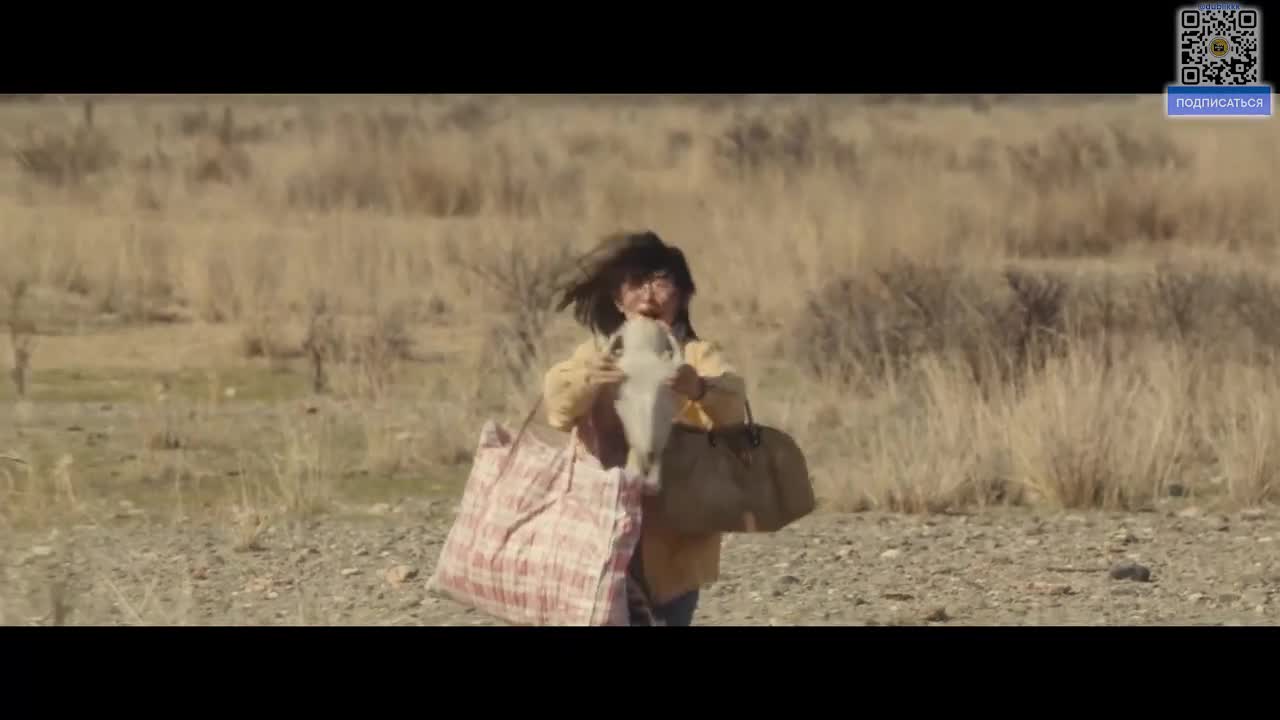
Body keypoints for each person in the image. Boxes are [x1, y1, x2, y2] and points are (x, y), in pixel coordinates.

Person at [542, 230, 748, 626]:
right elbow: (558, 407)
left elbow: (734, 406)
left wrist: (699, 388)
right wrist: (588, 380)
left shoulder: (695, 356)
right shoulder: (599, 354)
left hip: (676, 545)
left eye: (661, 283)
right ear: (618, 300)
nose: (648, 296)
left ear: (682, 297)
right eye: (636, 284)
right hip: (600, 532)